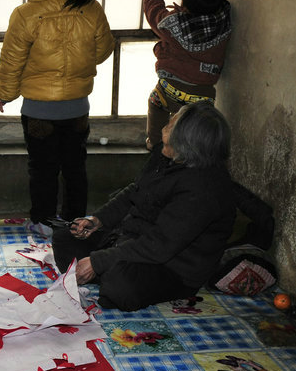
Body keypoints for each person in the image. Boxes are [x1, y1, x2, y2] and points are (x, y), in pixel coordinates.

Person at [51, 101, 237, 312]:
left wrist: (98, 262)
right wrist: (97, 220)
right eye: (170, 123)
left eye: (172, 128)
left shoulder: (204, 189)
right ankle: (104, 269)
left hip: (171, 266)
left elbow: (159, 245)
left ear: (189, 146)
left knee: (119, 286)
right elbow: (134, 191)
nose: (164, 129)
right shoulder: (167, 156)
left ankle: (105, 272)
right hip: (133, 238)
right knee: (64, 238)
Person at [0, 0, 113, 238]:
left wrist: (4, 95)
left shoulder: (26, 14)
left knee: (43, 169)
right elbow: (102, 51)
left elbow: (12, 61)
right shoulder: (92, 9)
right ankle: (76, 223)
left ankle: (43, 221)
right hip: (77, 107)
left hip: (38, 111)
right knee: (75, 167)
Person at [143, 0, 232, 150]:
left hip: (172, 87)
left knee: (156, 103)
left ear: (186, 3)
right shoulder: (224, 19)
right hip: (204, 93)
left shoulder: (175, 26)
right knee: (197, 131)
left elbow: (154, 14)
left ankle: (156, 145)